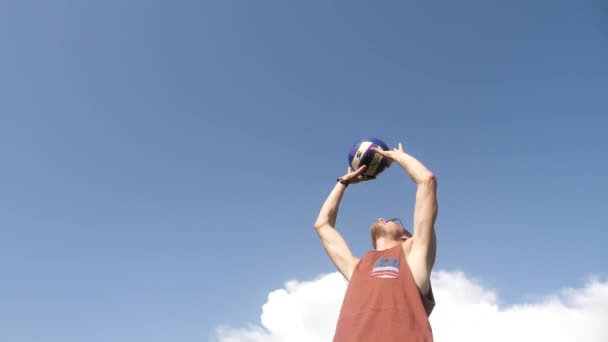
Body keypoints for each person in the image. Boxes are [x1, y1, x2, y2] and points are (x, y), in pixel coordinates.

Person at [314, 143, 438, 342]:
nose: (381, 218)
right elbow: (322, 225)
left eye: (391, 220)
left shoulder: (415, 254)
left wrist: (397, 157)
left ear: (407, 237)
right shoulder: (356, 267)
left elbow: (426, 180)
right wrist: (343, 183)